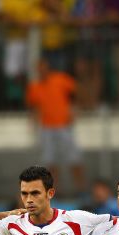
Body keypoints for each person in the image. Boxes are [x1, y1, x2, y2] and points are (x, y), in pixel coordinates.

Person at [26, 60, 86, 196]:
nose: (42, 72)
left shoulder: (60, 79)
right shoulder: (34, 87)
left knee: (74, 158)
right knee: (50, 161)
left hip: (64, 126)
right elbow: (34, 107)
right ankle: (55, 192)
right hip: (46, 129)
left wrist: (76, 109)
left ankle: (81, 189)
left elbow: (77, 91)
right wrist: (32, 123)